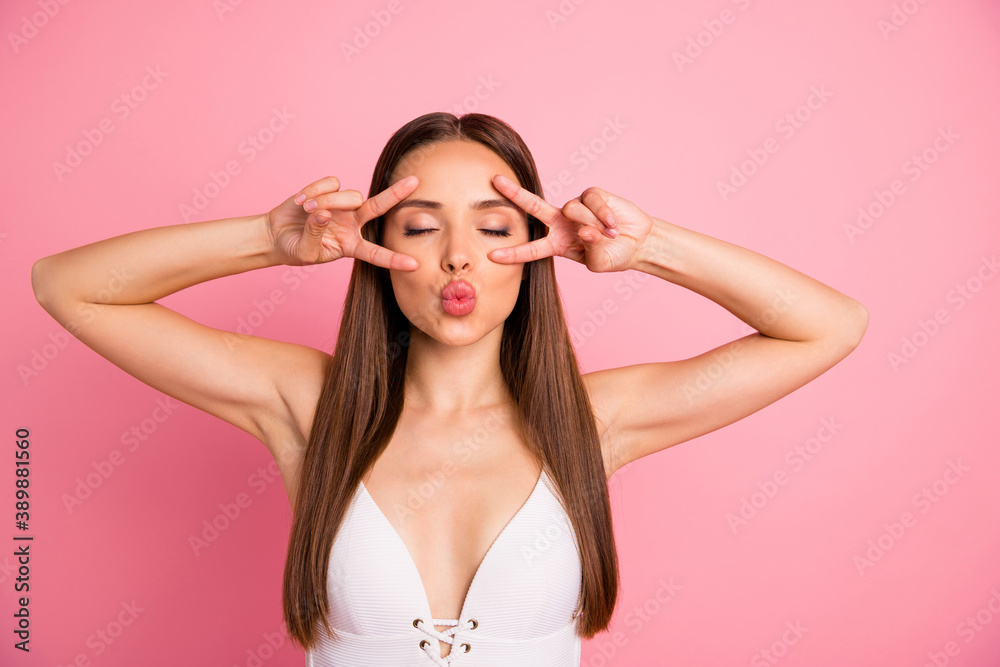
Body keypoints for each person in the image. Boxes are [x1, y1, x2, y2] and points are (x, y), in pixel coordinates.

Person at [30, 112, 868, 666]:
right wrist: (265, 240)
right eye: (423, 227)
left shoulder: (594, 419)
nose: (458, 257)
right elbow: (69, 286)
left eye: (495, 229)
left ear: (537, 250)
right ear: (375, 250)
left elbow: (828, 325)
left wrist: (646, 249)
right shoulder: (313, 406)